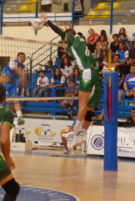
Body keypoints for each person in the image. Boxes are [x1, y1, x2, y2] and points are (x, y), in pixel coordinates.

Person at [40, 13, 100, 148]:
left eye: (65, 38)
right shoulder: (82, 40)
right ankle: (82, 133)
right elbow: (73, 37)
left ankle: (76, 130)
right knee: (90, 108)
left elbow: (59, 32)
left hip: (87, 73)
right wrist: (70, 27)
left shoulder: (72, 40)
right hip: (95, 74)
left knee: (82, 103)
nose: (63, 40)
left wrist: (47, 21)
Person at [0, 52, 28, 125]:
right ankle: (1, 118)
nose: (22, 58)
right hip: (3, 85)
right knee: (4, 103)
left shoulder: (23, 68)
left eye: (23, 57)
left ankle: (19, 117)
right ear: (17, 58)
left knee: (15, 101)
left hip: (12, 86)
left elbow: (24, 84)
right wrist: (23, 74)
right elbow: (15, 69)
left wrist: (25, 76)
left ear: (24, 60)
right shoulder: (13, 62)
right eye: (20, 56)